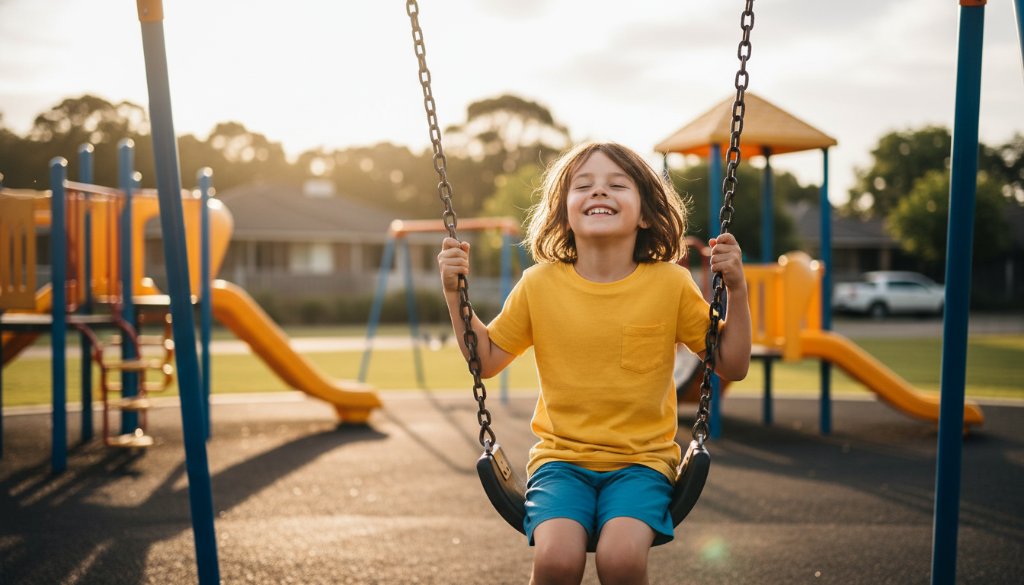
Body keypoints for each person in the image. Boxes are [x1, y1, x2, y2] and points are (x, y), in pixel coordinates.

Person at [438, 141, 751, 585]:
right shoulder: (539, 285)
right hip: (560, 462)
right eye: (583, 185)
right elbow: (485, 359)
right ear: (565, 210)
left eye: (616, 185)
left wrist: (737, 290)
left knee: (620, 559)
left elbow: (732, 364)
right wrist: (456, 295)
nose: (599, 192)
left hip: (642, 464)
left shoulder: (670, 284)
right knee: (556, 562)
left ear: (645, 213)